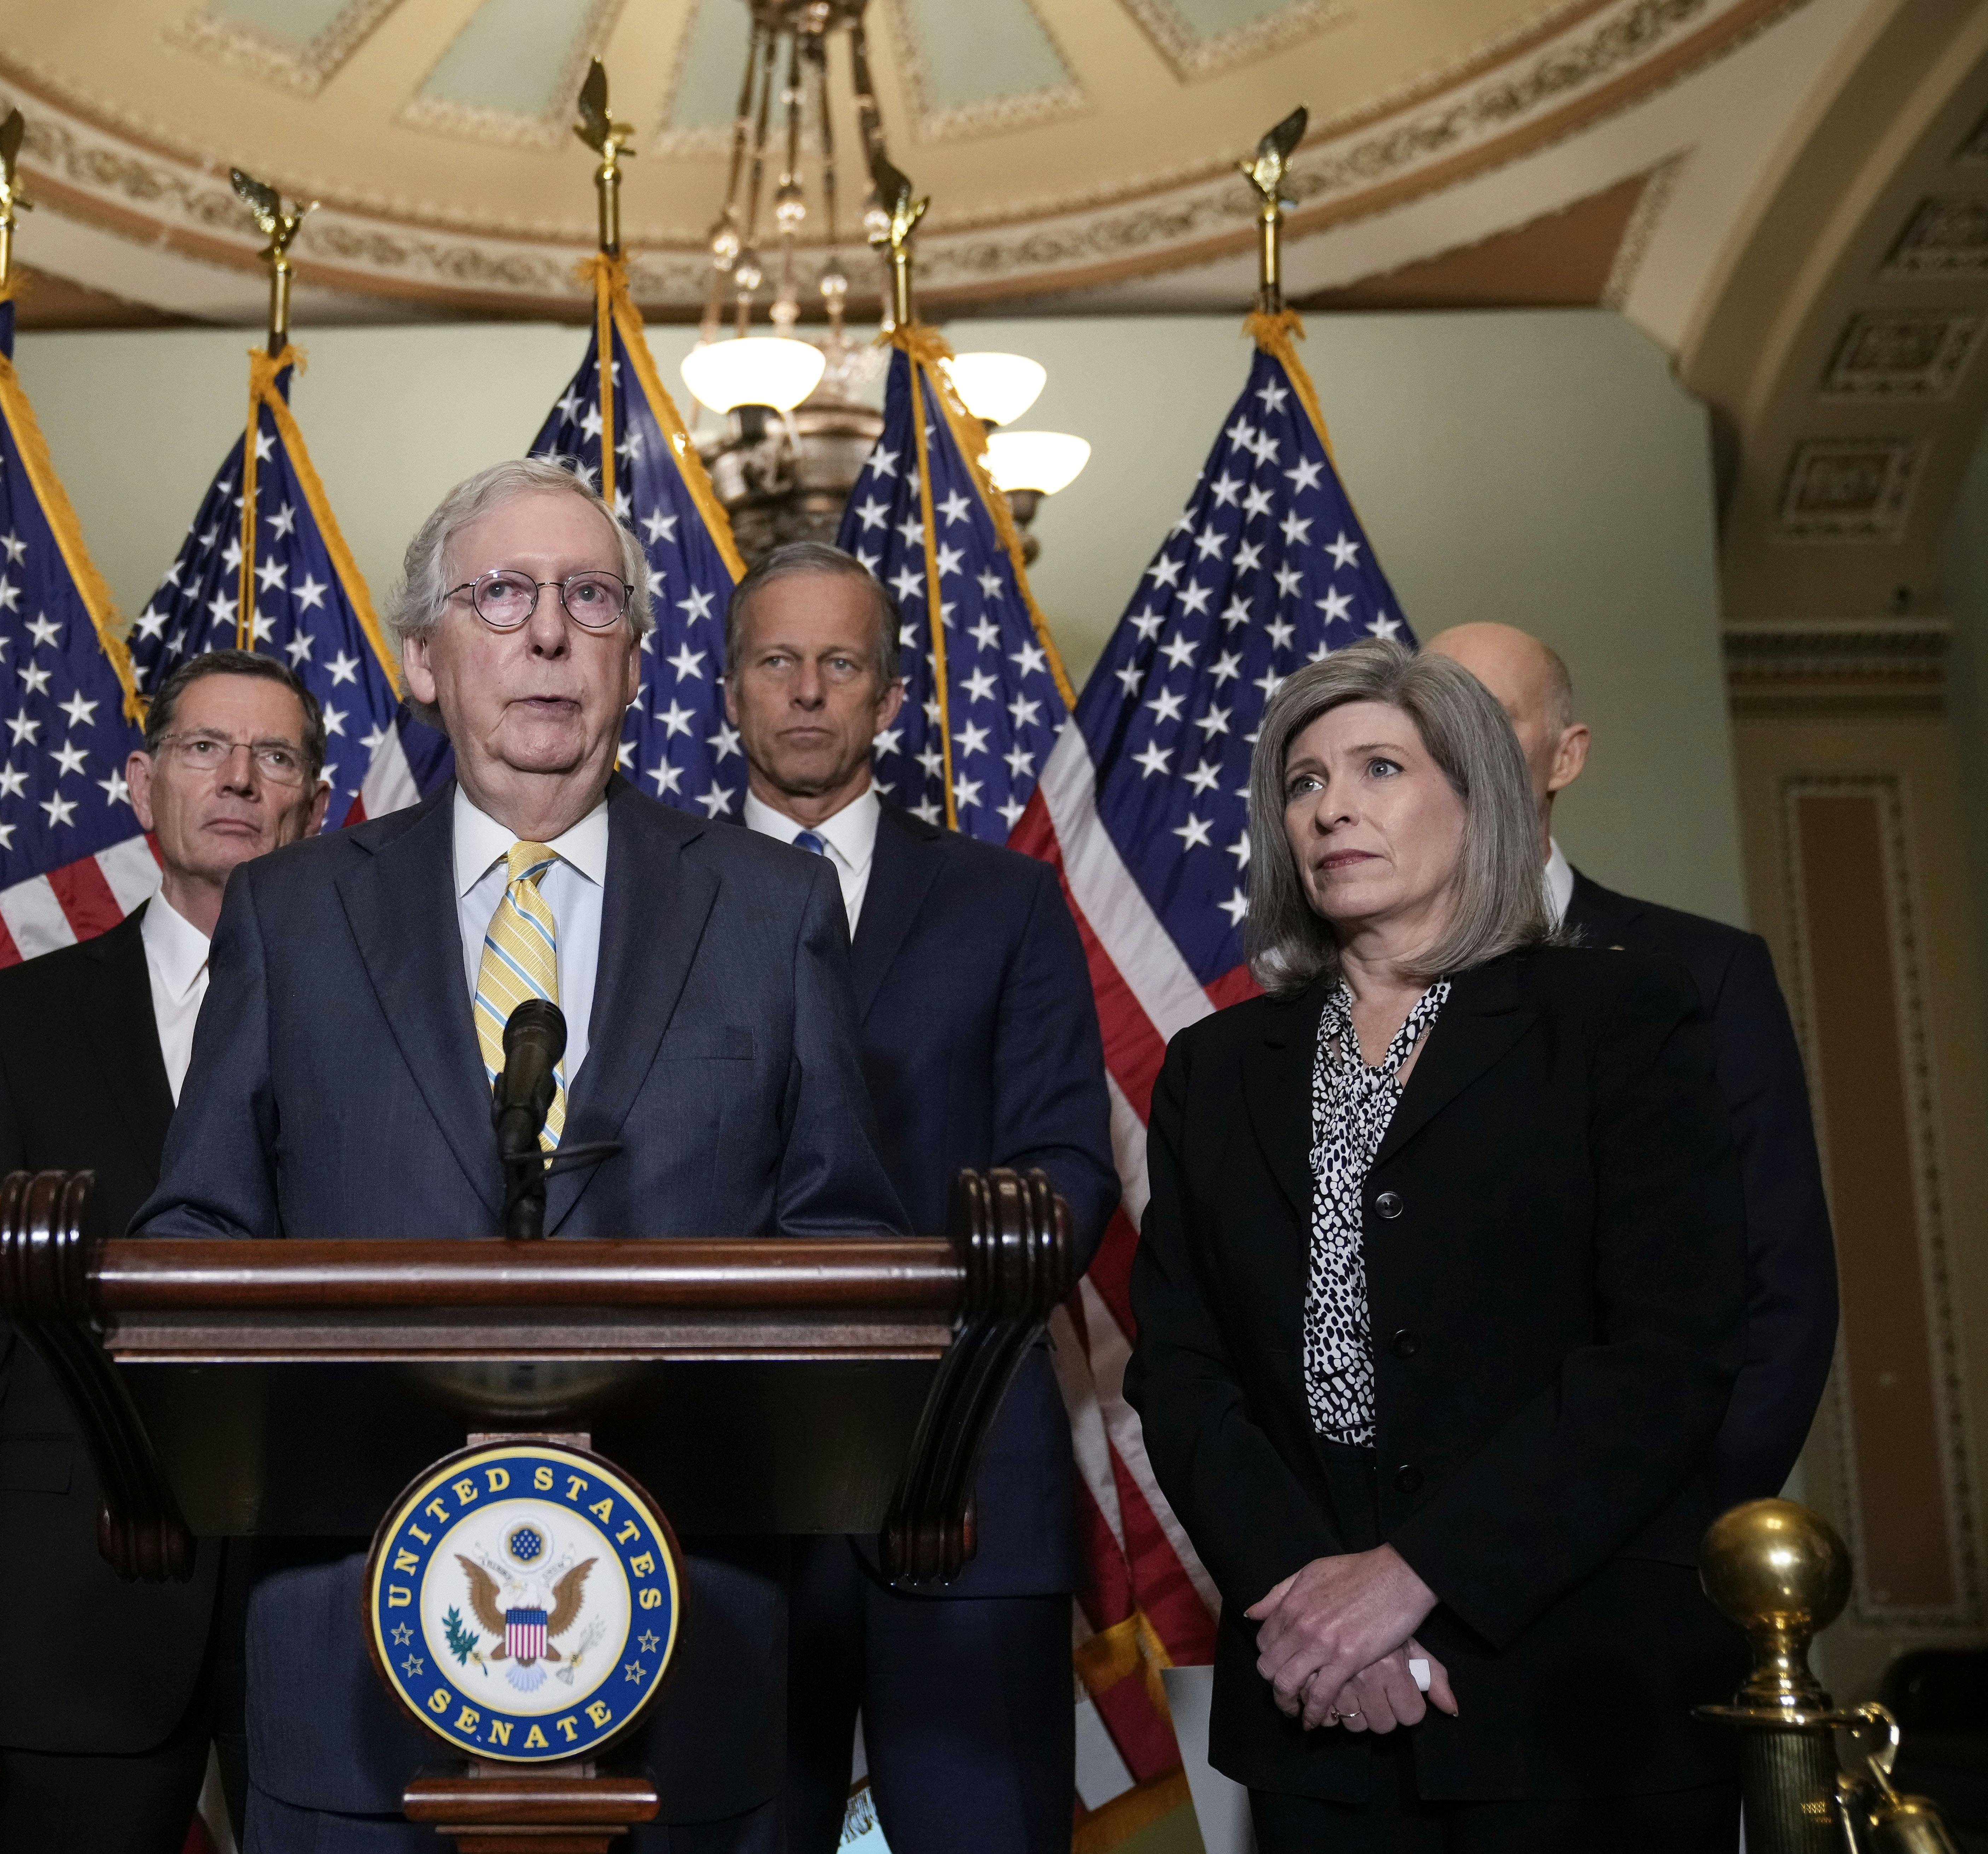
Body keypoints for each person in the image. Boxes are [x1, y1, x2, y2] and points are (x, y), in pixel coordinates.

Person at [135, 457, 904, 1851]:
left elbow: (841, 1251)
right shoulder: (292, 914)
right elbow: (195, 1239)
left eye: (587, 596)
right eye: (500, 594)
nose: (546, 632)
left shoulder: (773, 907)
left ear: (632, 657)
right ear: (424, 662)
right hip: (354, 1653)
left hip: (685, 1658)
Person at [1125, 640, 1747, 1849]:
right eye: (1302, 782)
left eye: (1376, 767)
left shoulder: (1618, 1018)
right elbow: (1181, 1370)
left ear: (1477, 798)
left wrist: (1414, 1576)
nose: (1331, 805)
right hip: (1314, 1694)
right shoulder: (1215, 1066)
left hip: (1570, 1681)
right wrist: (1318, 1608)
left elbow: (1668, 1352)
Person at [0, 650, 330, 1848]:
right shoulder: (24, 1019)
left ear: (317, 801)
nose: (237, 779)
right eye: (202, 748)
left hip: (322, 1596)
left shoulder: (384, 1020)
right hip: (68, 1604)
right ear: (142, 783)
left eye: (273, 755)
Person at [719, 541, 1116, 1854]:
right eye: (776, 660)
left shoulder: (1002, 903)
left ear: (889, 699)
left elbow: (1069, 1167)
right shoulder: (643, 899)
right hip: (720, 1487)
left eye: (842, 664)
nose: (808, 692)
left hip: (966, 1479)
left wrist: (911, 1313)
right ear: (729, 691)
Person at [1425, 621, 1836, 1507]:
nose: (1456, 748)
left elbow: (1782, 1287)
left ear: (1563, 757)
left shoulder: (1705, 973)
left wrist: (1688, 1528)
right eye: (1429, 722)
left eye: (1487, 718)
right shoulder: (1351, 995)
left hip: (1651, 1556)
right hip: (1408, 1568)